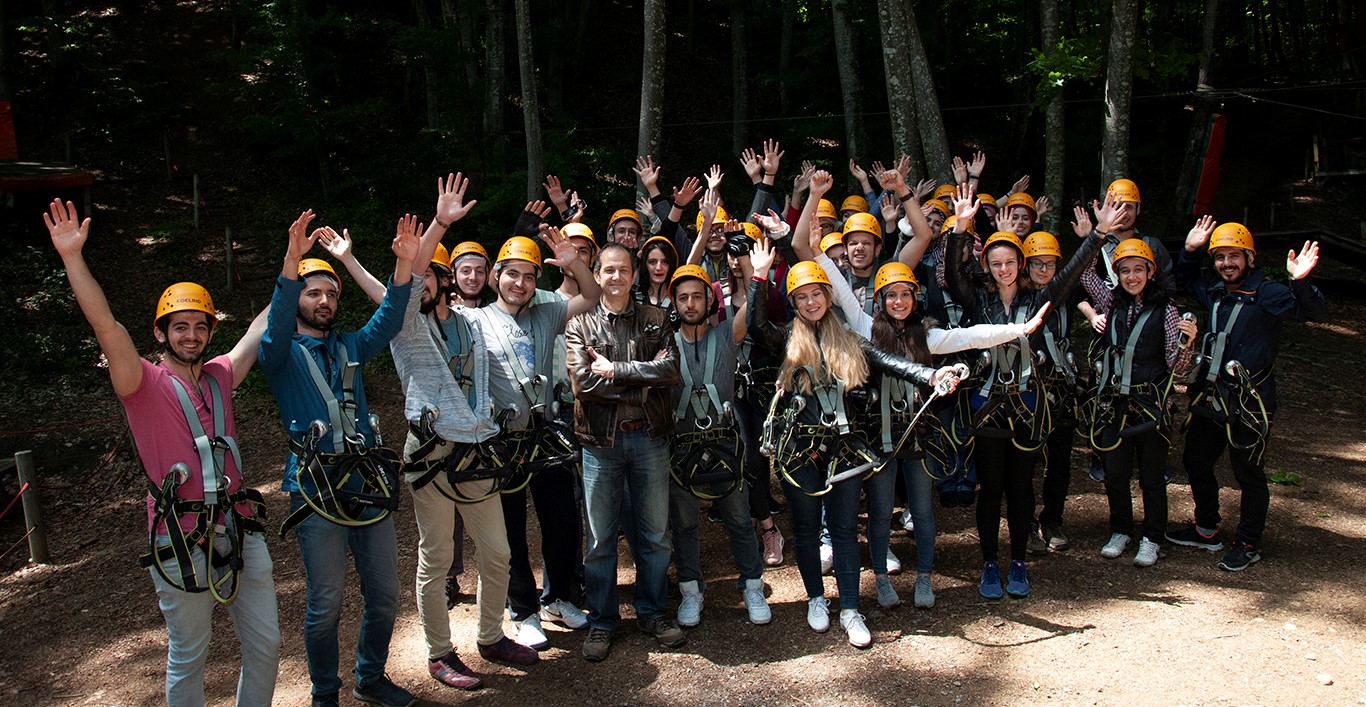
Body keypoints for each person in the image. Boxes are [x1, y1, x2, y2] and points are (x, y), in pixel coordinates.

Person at [45, 199, 279, 707]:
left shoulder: (220, 374)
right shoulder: (141, 383)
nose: (191, 335)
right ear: (161, 332)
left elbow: (262, 325)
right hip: (180, 534)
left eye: (199, 327)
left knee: (267, 644)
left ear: (209, 332)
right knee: (189, 654)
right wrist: (72, 259)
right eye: (180, 327)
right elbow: (107, 326)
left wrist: (293, 261)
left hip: (238, 524)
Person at [746, 243, 961, 648]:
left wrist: (930, 377)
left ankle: (848, 607)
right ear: (793, 302)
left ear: (828, 296)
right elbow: (757, 326)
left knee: (844, 531)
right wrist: (759, 277)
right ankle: (815, 599)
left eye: (817, 294)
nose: (811, 302)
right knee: (808, 530)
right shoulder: (787, 341)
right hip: (800, 452)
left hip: (843, 450)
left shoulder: (850, 340)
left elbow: (891, 361)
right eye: (802, 297)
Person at [815, 250, 1050, 610]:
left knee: (923, 509)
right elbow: (843, 292)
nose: (898, 301)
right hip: (879, 437)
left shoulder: (928, 336)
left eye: (905, 294)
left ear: (915, 298)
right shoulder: (865, 327)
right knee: (879, 511)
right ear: (880, 300)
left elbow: (971, 337)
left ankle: (924, 577)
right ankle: (880, 577)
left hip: (917, 434)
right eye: (891, 295)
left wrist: (1017, 329)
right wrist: (817, 249)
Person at [258, 209, 415, 707]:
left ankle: (370, 677)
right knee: (325, 603)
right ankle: (325, 692)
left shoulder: (350, 346)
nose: (324, 301)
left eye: (330, 294)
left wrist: (405, 266)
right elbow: (278, 318)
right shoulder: (278, 353)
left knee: (386, 595)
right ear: (297, 300)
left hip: (365, 482)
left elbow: (390, 316)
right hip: (315, 488)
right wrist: (291, 263)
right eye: (313, 293)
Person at [944, 186, 1113, 600]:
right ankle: (989, 562)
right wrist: (961, 227)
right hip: (985, 404)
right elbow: (950, 273)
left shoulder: (1040, 299)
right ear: (987, 264)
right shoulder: (978, 300)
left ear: (1021, 264)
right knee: (991, 488)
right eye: (996, 263)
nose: (1003, 269)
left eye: (1010, 262)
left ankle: (1017, 560)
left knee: (1020, 487)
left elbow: (1070, 273)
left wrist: (1097, 237)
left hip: (1027, 403)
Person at [459, 229, 601, 651]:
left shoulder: (549, 311)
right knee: (511, 529)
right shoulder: (473, 321)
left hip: (547, 434)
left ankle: (557, 596)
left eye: (527, 276)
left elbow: (591, 296)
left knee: (562, 521)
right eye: (511, 274)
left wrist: (573, 262)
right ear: (495, 277)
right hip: (503, 439)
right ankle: (522, 609)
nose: (519, 283)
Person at [1167, 219, 1326, 571]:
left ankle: (1248, 542)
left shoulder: (1267, 293)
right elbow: (1182, 281)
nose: (1227, 264)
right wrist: (1191, 252)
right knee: (1196, 459)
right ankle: (1206, 528)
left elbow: (1312, 313)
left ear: (1249, 258)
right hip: (1212, 396)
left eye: (1234, 256)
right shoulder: (1216, 291)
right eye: (1220, 257)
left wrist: (1300, 281)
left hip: (1249, 401)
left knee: (1248, 472)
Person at [566, 243, 683, 661]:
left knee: (654, 534)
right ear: (596, 276)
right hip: (601, 443)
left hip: (650, 437)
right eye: (608, 271)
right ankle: (602, 621)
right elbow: (583, 386)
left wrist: (616, 370)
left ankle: (652, 613)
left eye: (623, 270)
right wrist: (642, 380)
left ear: (635, 275)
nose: (616, 277)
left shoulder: (656, 319)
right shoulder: (579, 325)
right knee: (599, 539)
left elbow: (671, 373)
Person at [666, 263, 772, 628]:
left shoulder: (727, 334)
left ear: (710, 301)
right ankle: (691, 590)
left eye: (698, 297)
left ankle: (752, 584)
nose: (691, 304)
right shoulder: (664, 344)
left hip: (725, 442)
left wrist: (756, 274)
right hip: (681, 445)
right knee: (684, 524)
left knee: (740, 519)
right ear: (674, 303)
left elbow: (751, 308)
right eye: (683, 298)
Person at [1079, 239, 1197, 567]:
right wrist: (1094, 237)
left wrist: (1188, 343)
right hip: (1114, 404)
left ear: (1150, 272)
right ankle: (1121, 529)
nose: (1132, 277)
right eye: (1125, 270)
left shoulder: (1166, 311)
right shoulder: (1110, 300)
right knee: (1115, 474)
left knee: (1151, 476)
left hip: (1150, 404)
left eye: (1138, 270)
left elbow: (1176, 365)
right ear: (1116, 274)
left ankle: (1152, 537)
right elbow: (1085, 276)